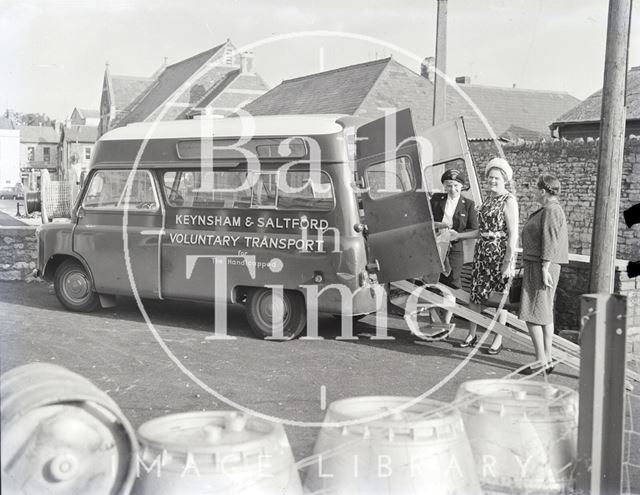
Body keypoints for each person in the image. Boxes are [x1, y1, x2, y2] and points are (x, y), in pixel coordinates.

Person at [458, 157, 518, 354]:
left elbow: (513, 234)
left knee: (499, 299)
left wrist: (508, 262)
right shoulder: (488, 200)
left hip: (499, 254)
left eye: (496, 179)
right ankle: (471, 334)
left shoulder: (508, 200)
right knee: (476, 295)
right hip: (482, 253)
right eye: (490, 178)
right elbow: (479, 231)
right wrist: (457, 236)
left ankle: (497, 339)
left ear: (504, 180)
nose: (492, 181)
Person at [518, 174, 568, 375]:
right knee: (544, 312)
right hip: (541, 264)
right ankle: (546, 358)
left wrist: (545, 268)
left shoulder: (551, 210)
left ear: (543, 191)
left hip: (542, 265)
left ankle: (541, 359)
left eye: (535, 189)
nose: (533, 192)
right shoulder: (550, 210)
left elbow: (550, 240)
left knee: (533, 312)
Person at [430, 169, 479, 325]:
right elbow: (425, 220)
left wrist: (458, 235)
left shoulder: (469, 205)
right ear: (444, 186)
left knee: (451, 283)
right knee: (431, 282)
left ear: (462, 186)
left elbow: (475, 230)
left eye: (456, 185)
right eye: (449, 185)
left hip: (455, 249)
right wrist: (438, 225)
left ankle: (446, 322)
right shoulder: (436, 199)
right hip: (436, 245)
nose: (453, 189)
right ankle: (434, 320)